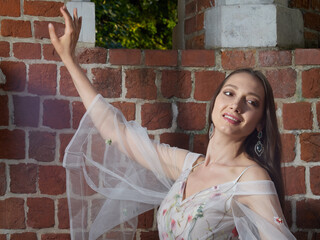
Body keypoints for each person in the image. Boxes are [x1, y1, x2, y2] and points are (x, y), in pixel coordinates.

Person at [49, 6, 296, 240]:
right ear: (215, 102)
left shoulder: (250, 178)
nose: (236, 105)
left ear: (260, 123)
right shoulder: (188, 167)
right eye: (229, 93)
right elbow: (117, 133)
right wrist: (69, 59)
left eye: (251, 102)